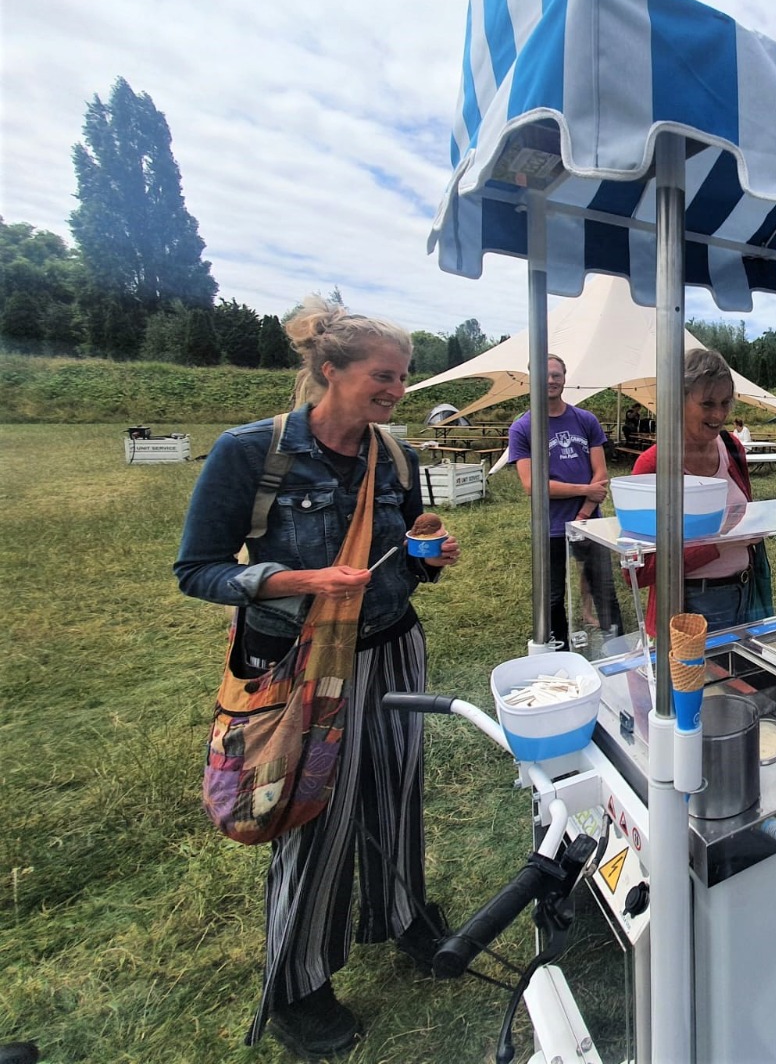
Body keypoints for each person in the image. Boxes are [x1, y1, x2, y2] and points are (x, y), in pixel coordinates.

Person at [174, 295, 460, 1059]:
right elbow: (196, 570)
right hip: (302, 664)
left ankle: (404, 916)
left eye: (403, 377)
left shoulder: (397, 455)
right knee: (309, 808)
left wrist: (429, 560)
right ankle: (298, 982)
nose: (396, 390)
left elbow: (406, 554)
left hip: (395, 646)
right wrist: (295, 581)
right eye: (382, 375)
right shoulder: (250, 452)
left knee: (397, 787)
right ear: (328, 370)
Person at [633, 348, 773, 632]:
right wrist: (720, 544)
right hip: (689, 606)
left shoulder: (732, 447)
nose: (719, 414)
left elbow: (742, 518)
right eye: (707, 404)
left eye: (725, 402)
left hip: (747, 594)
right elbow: (638, 570)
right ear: (679, 400)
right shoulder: (653, 464)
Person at [508, 354, 620, 646]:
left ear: (565, 378)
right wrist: (585, 491)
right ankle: (560, 652)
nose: (550, 380)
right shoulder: (522, 428)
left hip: (590, 523)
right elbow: (532, 485)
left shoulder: (585, 420)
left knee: (604, 589)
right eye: (544, 375)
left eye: (556, 375)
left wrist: (584, 513)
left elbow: (601, 474)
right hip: (550, 527)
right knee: (553, 595)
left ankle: (619, 650)